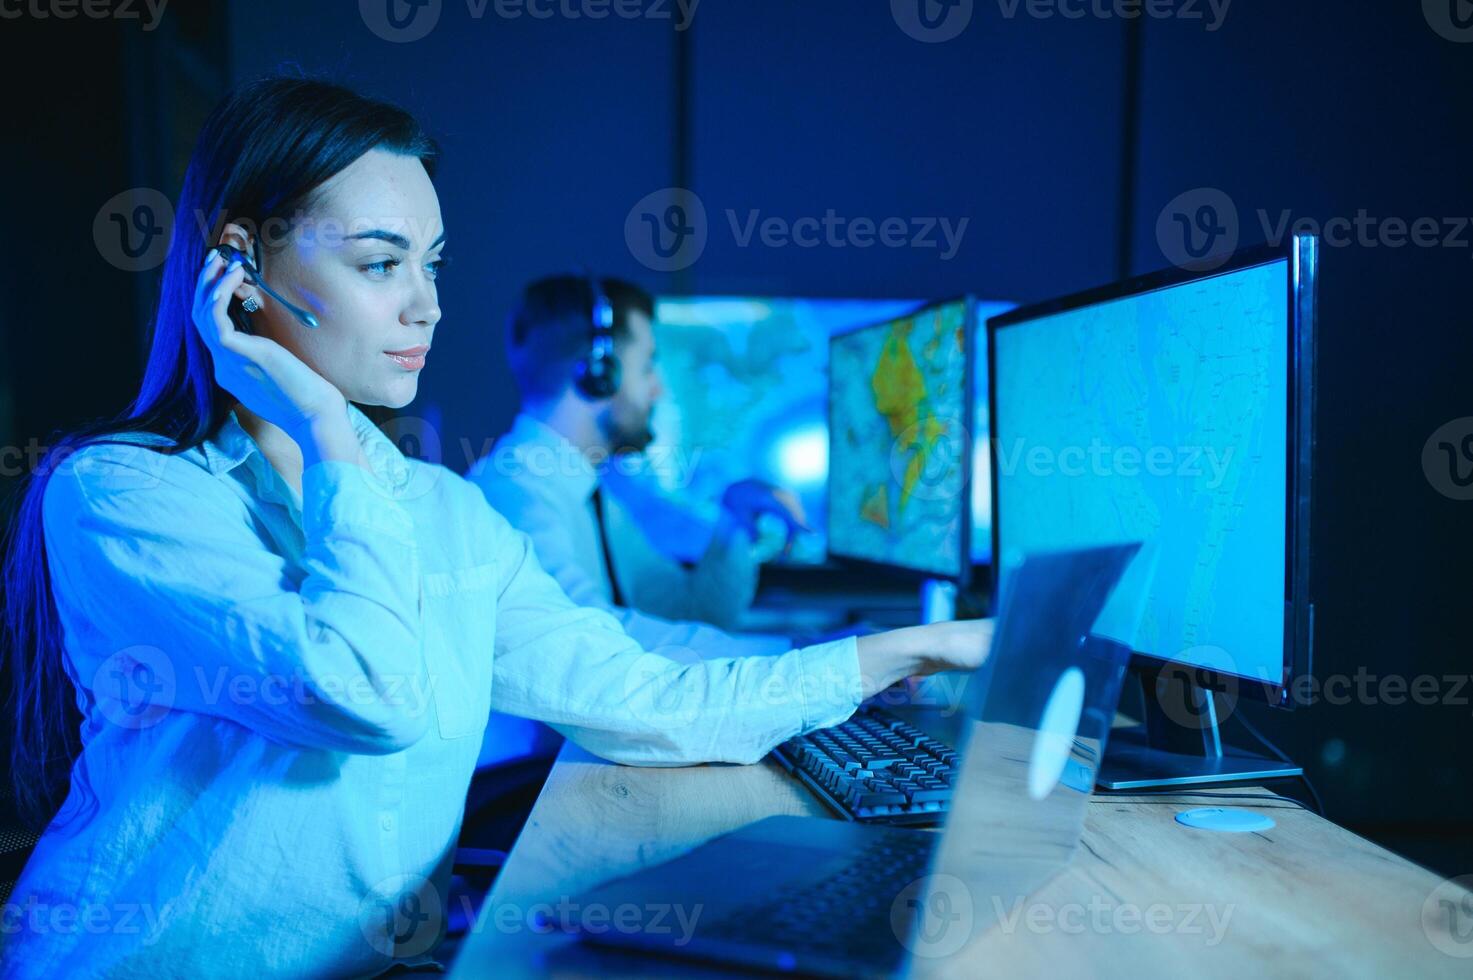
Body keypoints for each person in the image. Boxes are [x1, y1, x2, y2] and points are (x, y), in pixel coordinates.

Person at [0, 76, 993, 977]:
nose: (428, 306)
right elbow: (364, 690)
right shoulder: (123, 495)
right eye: (381, 263)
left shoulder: (443, 512)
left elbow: (643, 693)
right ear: (239, 265)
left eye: (432, 263)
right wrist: (326, 427)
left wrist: (908, 648)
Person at [469, 275, 807, 656]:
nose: (658, 388)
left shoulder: (590, 496)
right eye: (647, 366)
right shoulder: (514, 497)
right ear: (599, 375)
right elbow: (584, 645)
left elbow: (690, 612)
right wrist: (804, 658)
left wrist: (733, 522)